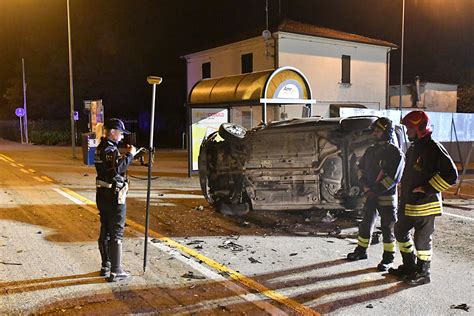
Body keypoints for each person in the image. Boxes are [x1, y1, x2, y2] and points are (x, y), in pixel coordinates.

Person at [389, 110, 458, 285]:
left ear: (420, 127)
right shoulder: (415, 147)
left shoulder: (433, 147)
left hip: (425, 205)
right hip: (409, 203)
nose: (406, 132)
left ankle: (423, 272)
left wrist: (427, 188)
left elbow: (451, 175)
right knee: (400, 231)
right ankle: (410, 266)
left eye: (409, 128)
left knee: (421, 239)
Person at [347, 117, 405, 271]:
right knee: (365, 224)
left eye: (378, 131)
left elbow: (393, 178)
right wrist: (365, 186)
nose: (375, 133)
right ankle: (361, 251)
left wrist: (375, 190)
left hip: (386, 197)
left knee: (388, 228)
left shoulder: (395, 153)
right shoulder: (371, 150)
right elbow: (360, 168)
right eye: (375, 130)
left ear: (386, 132)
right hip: (370, 194)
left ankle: (388, 259)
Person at [94, 118, 136, 282]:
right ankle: (116, 270)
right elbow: (116, 169)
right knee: (116, 230)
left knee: (105, 228)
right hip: (113, 194)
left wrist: (126, 156)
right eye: (120, 133)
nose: (122, 136)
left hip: (102, 193)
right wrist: (130, 156)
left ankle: (106, 265)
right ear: (112, 132)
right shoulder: (110, 149)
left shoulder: (100, 148)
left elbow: (109, 165)